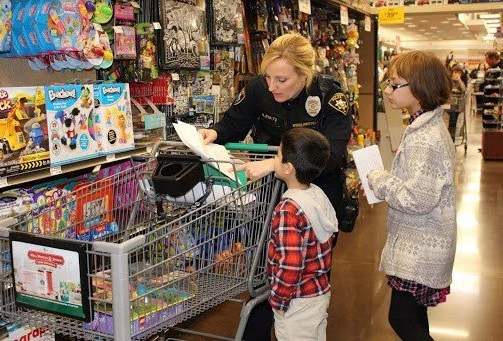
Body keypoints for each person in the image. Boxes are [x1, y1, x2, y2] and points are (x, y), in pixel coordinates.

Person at [199, 33, 352, 340]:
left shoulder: (329, 96)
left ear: (304, 74)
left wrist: (274, 164)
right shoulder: (259, 87)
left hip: (315, 199)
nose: (272, 87)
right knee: (263, 270)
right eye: (268, 77)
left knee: (306, 277)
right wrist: (212, 134)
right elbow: (233, 123)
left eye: (282, 79)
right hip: (271, 197)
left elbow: (332, 154)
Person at [367, 51, 456, 341]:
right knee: (415, 317)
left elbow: (417, 199)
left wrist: (380, 179)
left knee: (401, 318)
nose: (388, 91)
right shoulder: (424, 126)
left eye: (395, 84)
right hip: (419, 242)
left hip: (419, 248)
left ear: (419, 88)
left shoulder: (425, 138)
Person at [268, 127, 337, 341]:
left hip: (296, 300)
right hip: (318, 292)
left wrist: (278, 301)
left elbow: (291, 263)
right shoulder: (316, 195)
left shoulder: (288, 209)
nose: (274, 158)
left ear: (288, 168)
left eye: (278, 155)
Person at [446, 64, 466, 141]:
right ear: (452, 72)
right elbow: (444, 90)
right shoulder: (447, 80)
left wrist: (459, 80)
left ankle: (452, 138)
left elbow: (464, 90)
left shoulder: (461, 82)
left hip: (457, 104)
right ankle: (450, 138)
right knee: (452, 117)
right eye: (455, 72)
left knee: (454, 118)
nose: (457, 74)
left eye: (459, 73)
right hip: (447, 103)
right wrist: (451, 90)